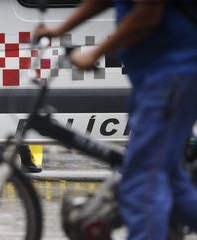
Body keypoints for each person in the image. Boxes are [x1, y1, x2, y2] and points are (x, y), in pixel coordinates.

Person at [34, 0, 197, 239]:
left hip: (170, 74)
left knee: (141, 184)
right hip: (156, 76)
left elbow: (147, 13)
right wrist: (61, 29)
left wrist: (95, 53)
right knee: (170, 181)